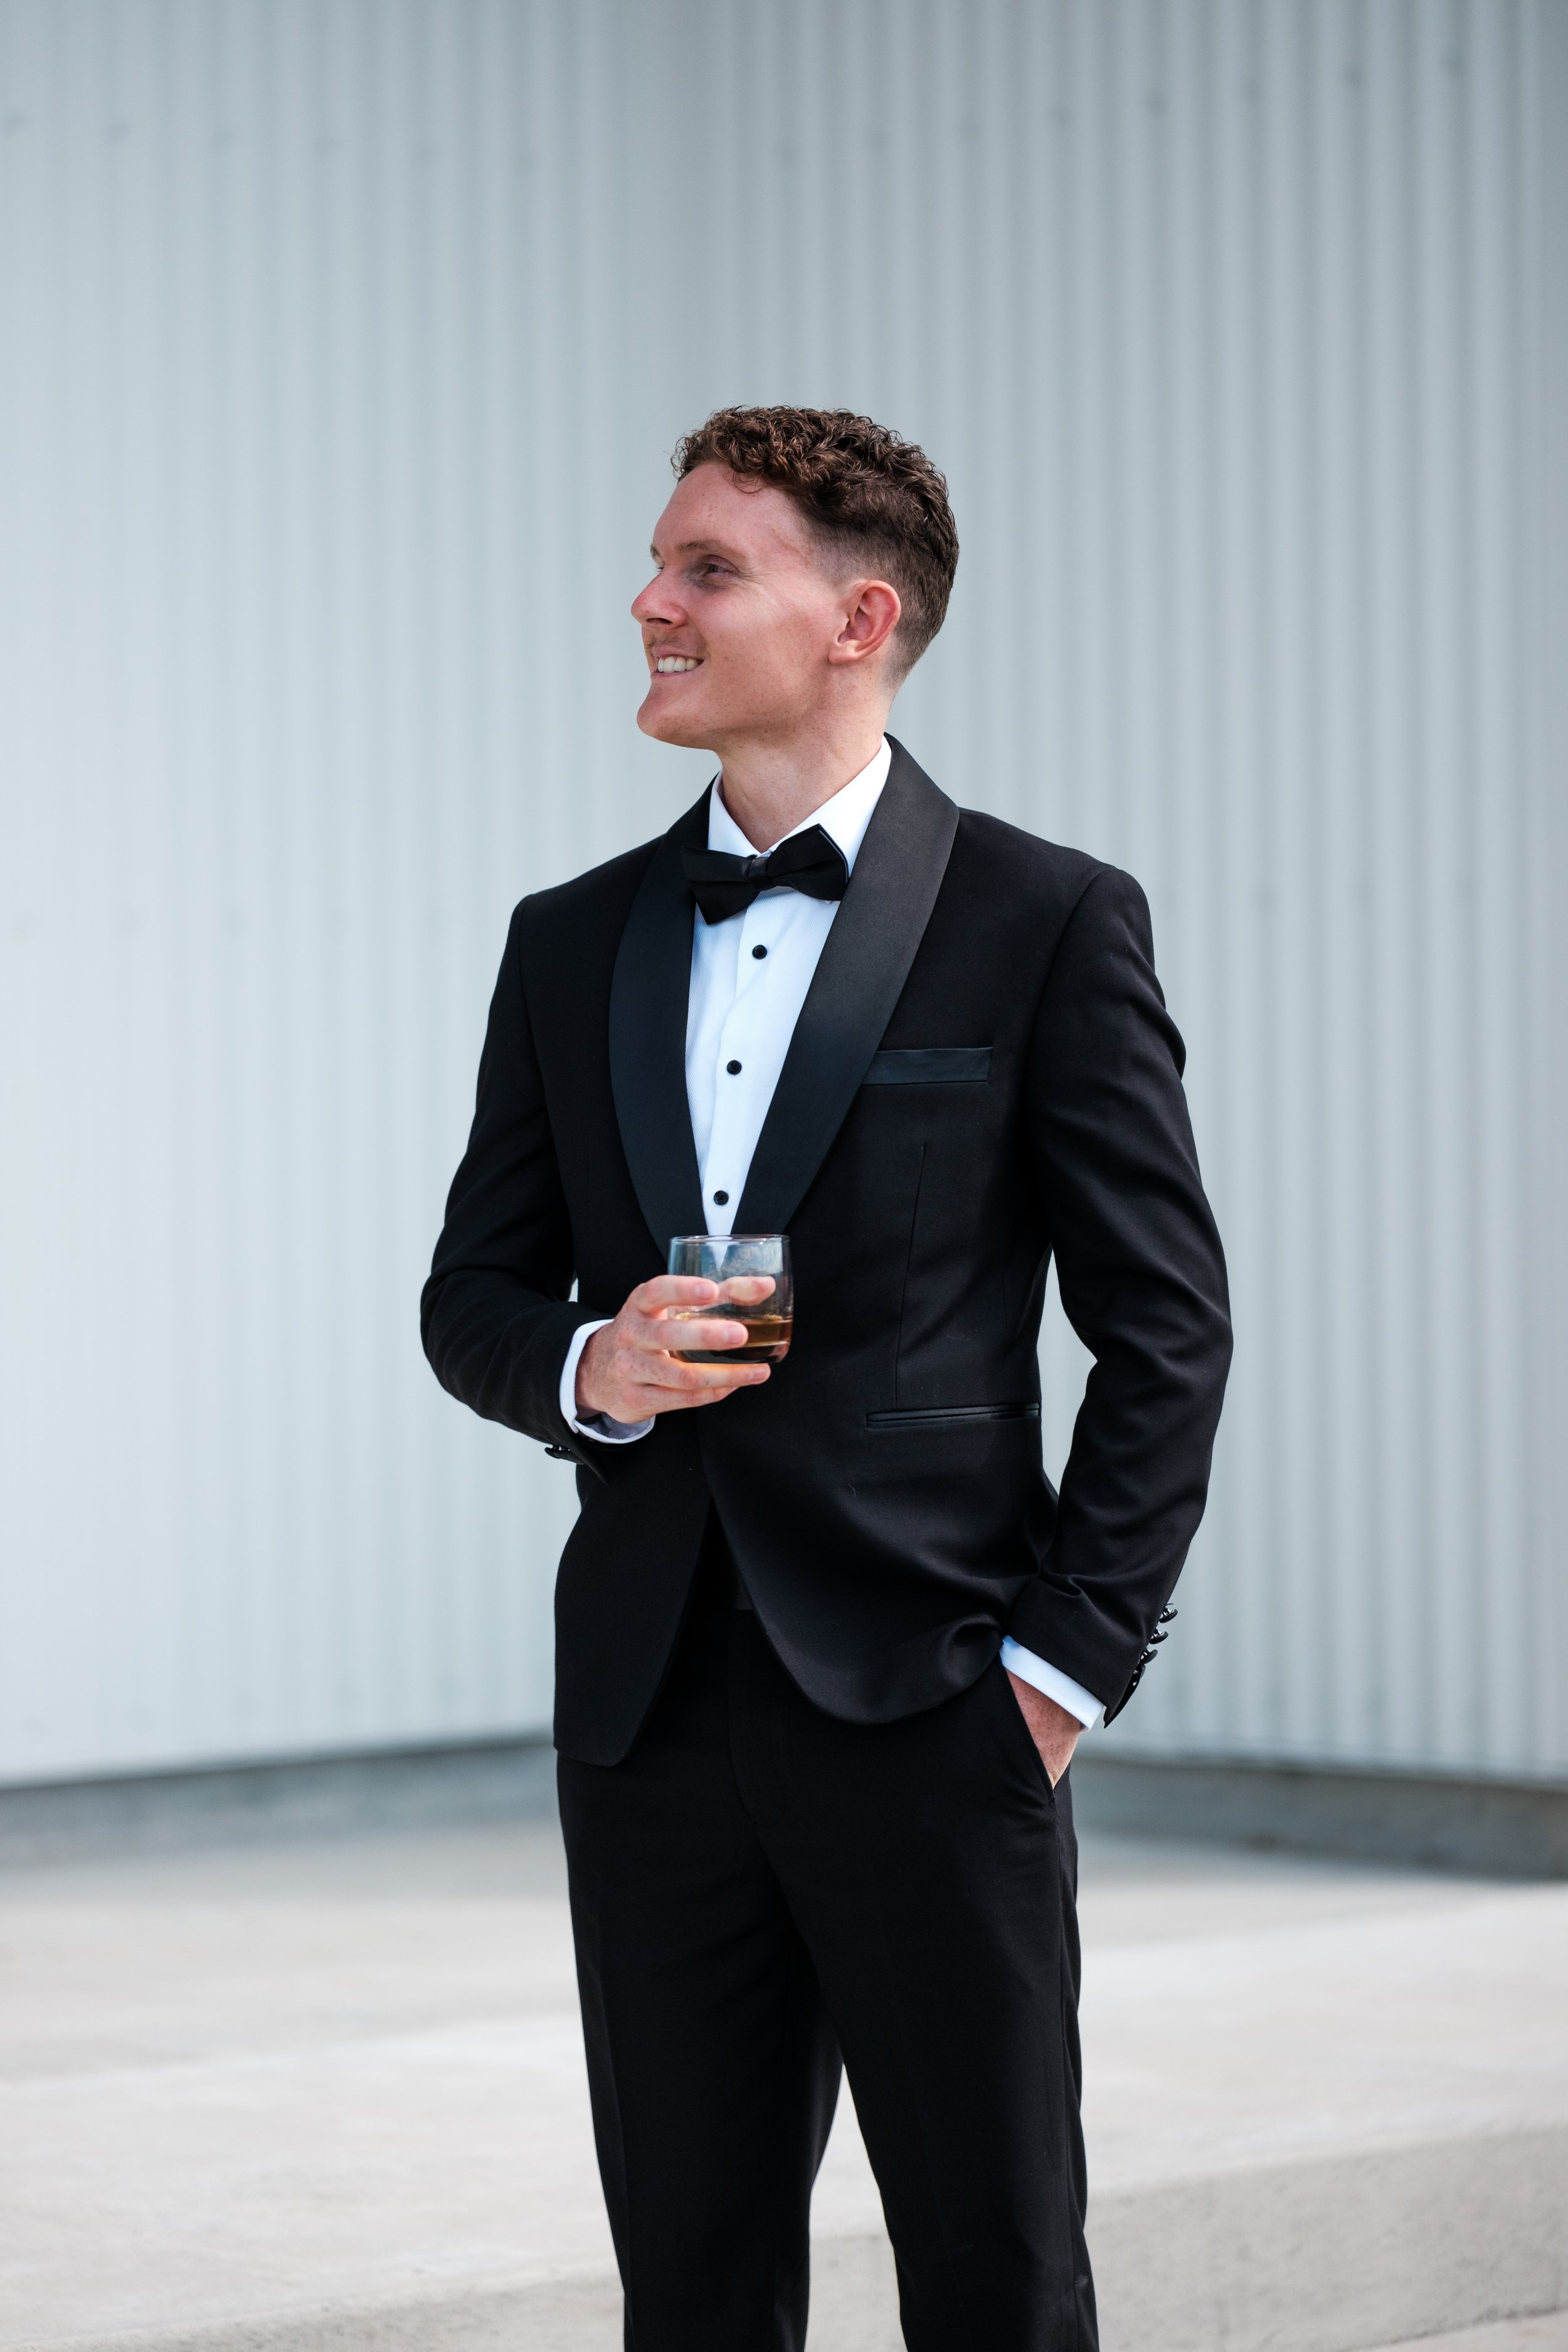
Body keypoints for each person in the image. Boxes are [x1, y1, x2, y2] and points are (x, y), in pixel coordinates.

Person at [421, 406, 1231, 2351]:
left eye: (708, 568)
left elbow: (1164, 1322)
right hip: (646, 1714)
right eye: (659, 561)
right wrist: (588, 1365)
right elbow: (472, 1294)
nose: (651, 601)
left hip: (936, 1696)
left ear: (858, 614)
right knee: (689, 2287)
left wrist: (1061, 1668)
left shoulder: (1046, 920)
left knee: (997, 2273)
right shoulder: (568, 941)